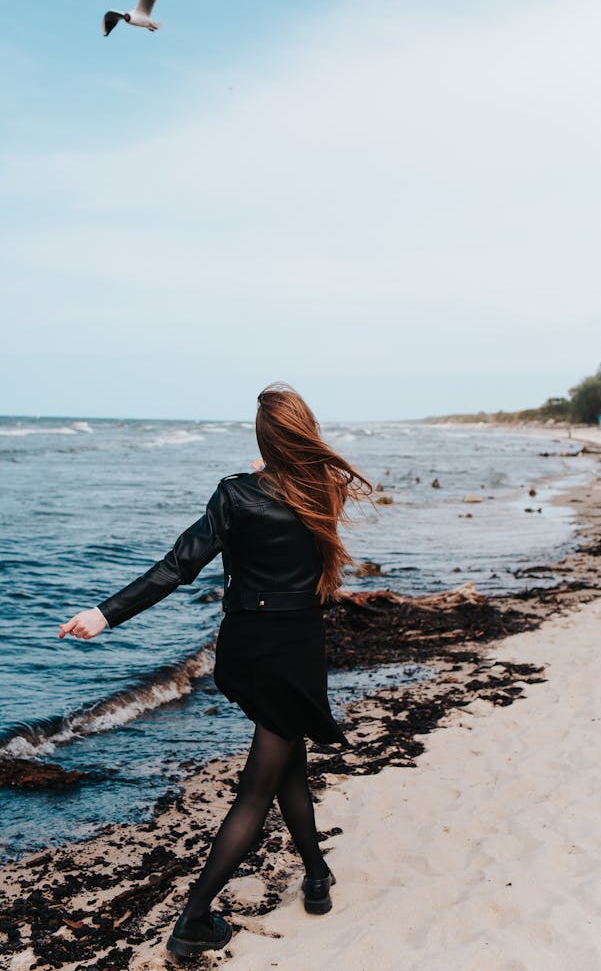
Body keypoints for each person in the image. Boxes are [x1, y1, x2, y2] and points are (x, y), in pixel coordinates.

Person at [59, 382, 375, 958]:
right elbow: (294, 503)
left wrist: (106, 615)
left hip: (246, 649)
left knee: (287, 768)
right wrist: (276, 471)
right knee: (259, 787)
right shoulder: (323, 491)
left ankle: (317, 875)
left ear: (263, 441)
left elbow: (177, 566)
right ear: (305, 434)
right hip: (296, 649)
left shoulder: (236, 496)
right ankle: (193, 919)